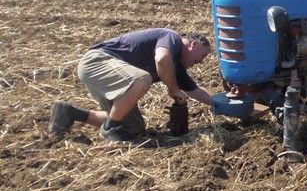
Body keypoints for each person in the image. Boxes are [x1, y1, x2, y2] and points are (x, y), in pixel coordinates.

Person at [49, 28, 213, 142]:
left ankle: (69, 113)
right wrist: (174, 89)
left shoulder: (177, 68)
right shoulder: (172, 38)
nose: (201, 61)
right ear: (193, 44)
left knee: (133, 127)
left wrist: (221, 104)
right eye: (203, 55)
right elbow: (162, 59)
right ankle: (110, 129)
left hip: (107, 73)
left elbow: (197, 92)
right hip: (97, 62)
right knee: (142, 79)